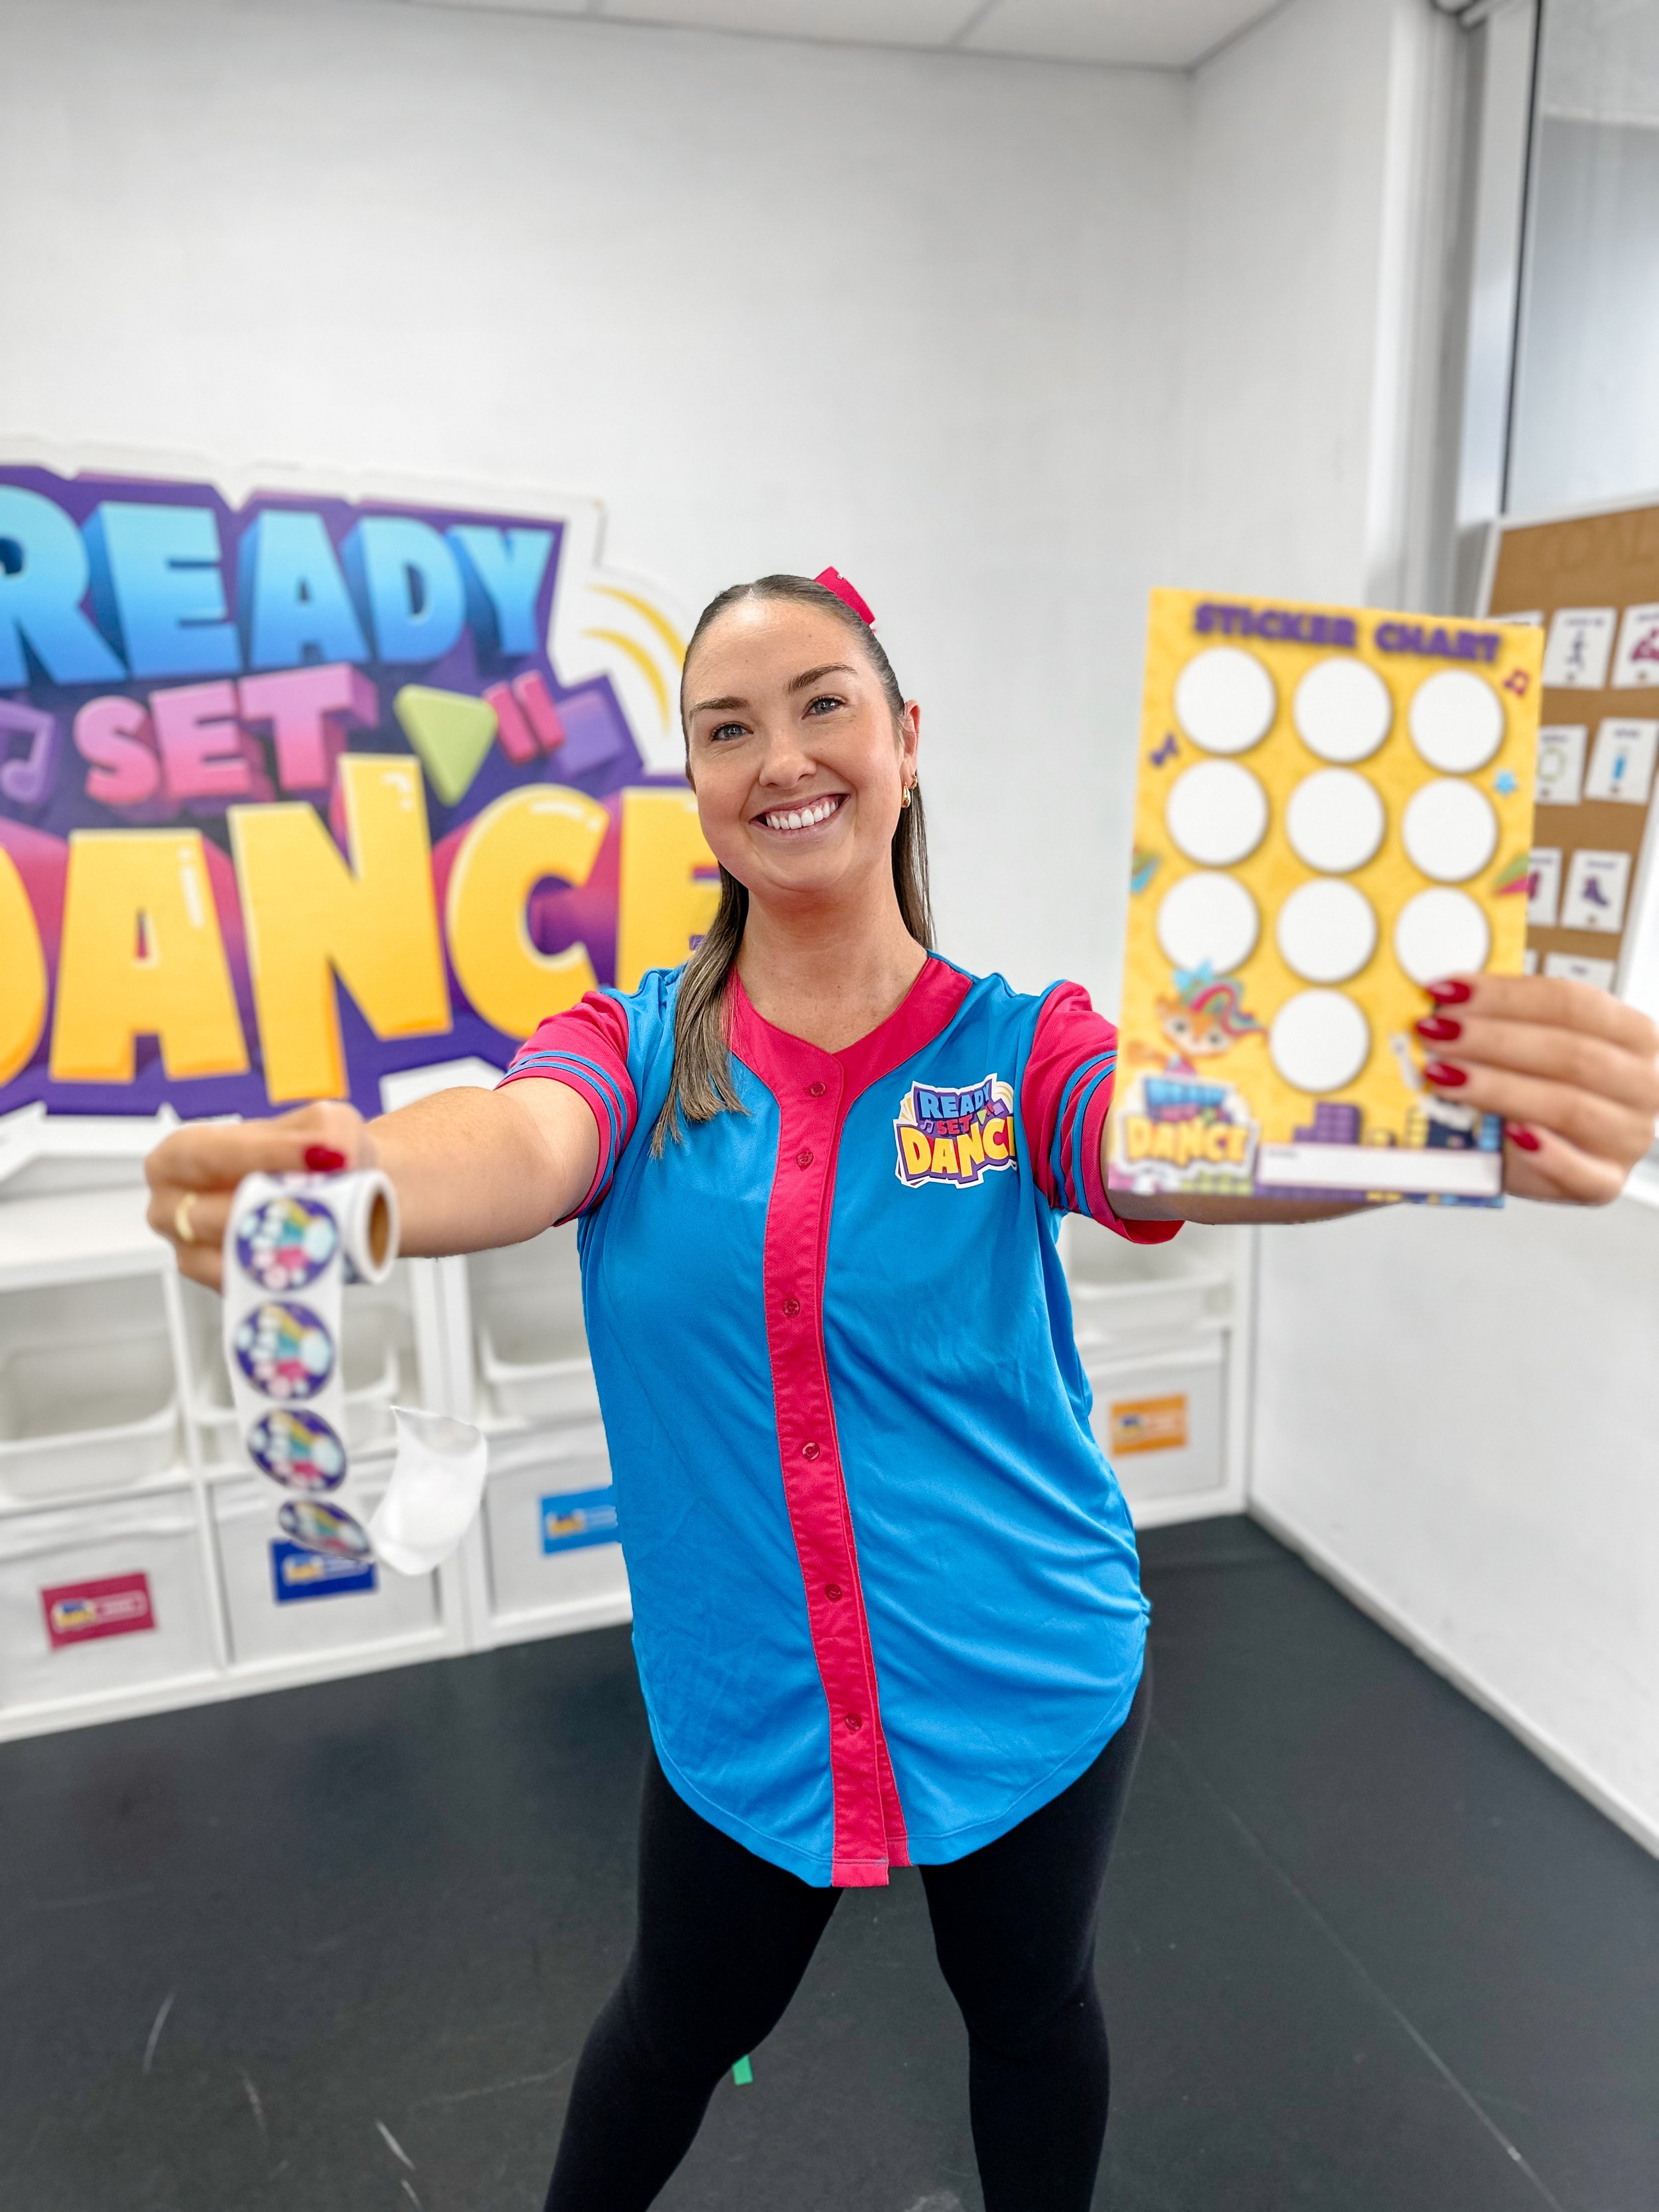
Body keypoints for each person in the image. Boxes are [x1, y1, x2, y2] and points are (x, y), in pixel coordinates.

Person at [145, 571, 1659, 2211]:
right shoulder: (633, 1051)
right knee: (677, 2024)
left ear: (903, 738)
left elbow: (1159, 1139)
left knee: (1030, 2014)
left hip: (1028, 1671)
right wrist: (356, 1173)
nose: (782, 756)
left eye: (823, 702)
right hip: (747, 1706)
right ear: (695, 782)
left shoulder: (1018, 1049)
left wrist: (1412, 1127)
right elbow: (516, 1139)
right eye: (727, 728)